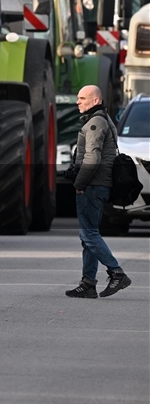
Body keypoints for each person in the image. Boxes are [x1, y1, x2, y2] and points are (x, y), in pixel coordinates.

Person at [66, 85, 131, 298]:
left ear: (95, 101)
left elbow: (92, 160)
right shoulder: (103, 119)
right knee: (89, 236)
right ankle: (88, 283)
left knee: (89, 234)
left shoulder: (95, 123)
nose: (78, 102)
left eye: (82, 98)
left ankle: (116, 272)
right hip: (97, 185)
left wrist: (79, 183)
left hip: (92, 187)